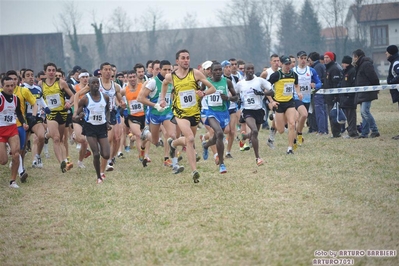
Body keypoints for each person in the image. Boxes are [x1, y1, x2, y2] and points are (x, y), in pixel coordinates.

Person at [159, 49, 216, 183]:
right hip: (180, 112)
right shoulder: (171, 76)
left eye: (188, 58)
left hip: (194, 112)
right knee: (190, 139)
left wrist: (204, 93)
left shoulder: (195, 73)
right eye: (183, 58)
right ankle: (194, 171)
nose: (186, 60)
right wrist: (162, 99)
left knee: (189, 140)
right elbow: (164, 84)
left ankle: (173, 144)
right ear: (177, 61)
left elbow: (212, 88)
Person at [138, 60, 184, 173]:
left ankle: (175, 164)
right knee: (155, 141)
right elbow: (140, 99)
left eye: (169, 69)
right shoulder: (153, 82)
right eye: (165, 69)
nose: (168, 72)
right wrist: (155, 105)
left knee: (172, 135)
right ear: (160, 70)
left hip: (168, 113)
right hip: (155, 114)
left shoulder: (173, 81)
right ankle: (146, 134)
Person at [201, 61, 238, 173]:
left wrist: (228, 98)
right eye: (215, 70)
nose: (218, 72)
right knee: (220, 134)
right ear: (211, 71)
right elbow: (200, 94)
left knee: (217, 137)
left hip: (223, 112)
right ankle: (222, 163)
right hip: (211, 112)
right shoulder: (206, 82)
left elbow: (236, 97)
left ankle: (206, 145)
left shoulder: (227, 82)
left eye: (219, 70)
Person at [39, 62, 75, 173]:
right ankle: (62, 163)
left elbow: (73, 95)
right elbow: (37, 98)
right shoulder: (41, 84)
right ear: (45, 72)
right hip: (51, 114)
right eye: (49, 70)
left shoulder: (62, 83)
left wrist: (69, 103)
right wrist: (42, 108)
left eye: (53, 70)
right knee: (56, 138)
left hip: (62, 113)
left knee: (61, 139)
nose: (51, 72)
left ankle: (47, 135)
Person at [73, 77, 111, 184]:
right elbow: (74, 116)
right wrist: (79, 116)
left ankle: (100, 147)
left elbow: (108, 110)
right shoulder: (85, 99)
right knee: (96, 154)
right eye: (93, 83)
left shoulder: (105, 97)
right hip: (90, 127)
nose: (96, 85)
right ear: (89, 85)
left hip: (102, 127)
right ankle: (99, 177)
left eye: (97, 83)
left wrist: (107, 122)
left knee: (106, 155)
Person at [236, 63, 273, 164]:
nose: (250, 71)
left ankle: (245, 136)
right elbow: (235, 95)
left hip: (258, 110)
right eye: (248, 69)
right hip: (247, 110)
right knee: (255, 131)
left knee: (254, 134)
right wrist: (238, 100)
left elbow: (271, 91)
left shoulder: (259, 81)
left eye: (252, 69)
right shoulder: (240, 84)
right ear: (245, 70)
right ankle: (258, 158)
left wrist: (262, 93)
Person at [267, 56, 302, 154]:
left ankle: (290, 149)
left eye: (289, 64)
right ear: (281, 64)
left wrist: (298, 93)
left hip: (290, 102)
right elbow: (266, 88)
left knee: (292, 124)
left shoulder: (294, 75)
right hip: (279, 103)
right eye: (286, 64)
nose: (288, 66)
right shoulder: (276, 75)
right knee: (281, 130)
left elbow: (296, 84)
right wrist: (271, 101)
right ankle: (274, 116)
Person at [6, 70, 37, 180]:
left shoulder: (24, 91)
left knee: (21, 149)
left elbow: (34, 104)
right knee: (16, 149)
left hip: (20, 124)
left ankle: (19, 166)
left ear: (18, 80)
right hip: (6, 126)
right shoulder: (1, 93)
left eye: (15, 79)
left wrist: (32, 117)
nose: (13, 82)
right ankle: (20, 171)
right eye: (10, 79)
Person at [1, 76, 27, 188]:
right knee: (3, 161)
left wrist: (24, 122)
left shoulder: (16, 98)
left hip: (12, 128)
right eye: (7, 86)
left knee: (16, 154)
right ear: (2, 86)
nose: (10, 88)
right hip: (1, 130)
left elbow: (19, 113)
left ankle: (13, 181)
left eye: (12, 85)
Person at [292, 51, 322, 145]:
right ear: (298, 59)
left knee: (302, 118)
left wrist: (315, 86)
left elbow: (319, 83)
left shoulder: (311, 70)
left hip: (307, 98)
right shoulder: (293, 71)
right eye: (301, 58)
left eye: (305, 58)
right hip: (296, 98)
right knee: (303, 115)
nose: (303, 60)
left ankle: (297, 136)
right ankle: (298, 135)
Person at [352, 49, 380, 138]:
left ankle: (375, 130)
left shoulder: (366, 64)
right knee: (363, 113)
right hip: (362, 92)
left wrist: (376, 87)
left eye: (354, 57)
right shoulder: (359, 65)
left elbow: (373, 77)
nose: (353, 59)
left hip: (367, 91)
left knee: (365, 112)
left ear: (357, 57)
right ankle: (364, 133)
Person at [323, 51, 342, 138]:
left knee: (334, 115)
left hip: (333, 97)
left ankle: (336, 133)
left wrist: (335, 96)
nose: (325, 59)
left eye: (327, 57)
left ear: (331, 58)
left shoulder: (334, 69)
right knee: (330, 115)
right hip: (328, 96)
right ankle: (334, 132)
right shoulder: (327, 68)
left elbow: (336, 83)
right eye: (325, 57)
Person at [308, 52, 327, 135]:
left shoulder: (317, 67)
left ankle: (321, 131)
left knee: (319, 112)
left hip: (318, 92)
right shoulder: (320, 65)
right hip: (321, 91)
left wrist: (313, 85)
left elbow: (317, 81)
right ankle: (324, 130)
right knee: (322, 111)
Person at [339, 56, 358, 138]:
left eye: (344, 63)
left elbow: (353, 84)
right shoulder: (345, 71)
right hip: (345, 98)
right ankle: (350, 131)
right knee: (348, 116)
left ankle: (353, 132)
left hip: (350, 98)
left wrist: (349, 95)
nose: (342, 65)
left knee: (351, 116)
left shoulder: (352, 71)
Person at [386, 45, 399, 139]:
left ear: (391, 53)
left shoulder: (396, 62)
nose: (385, 53)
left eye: (387, 52)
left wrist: (391, 82)